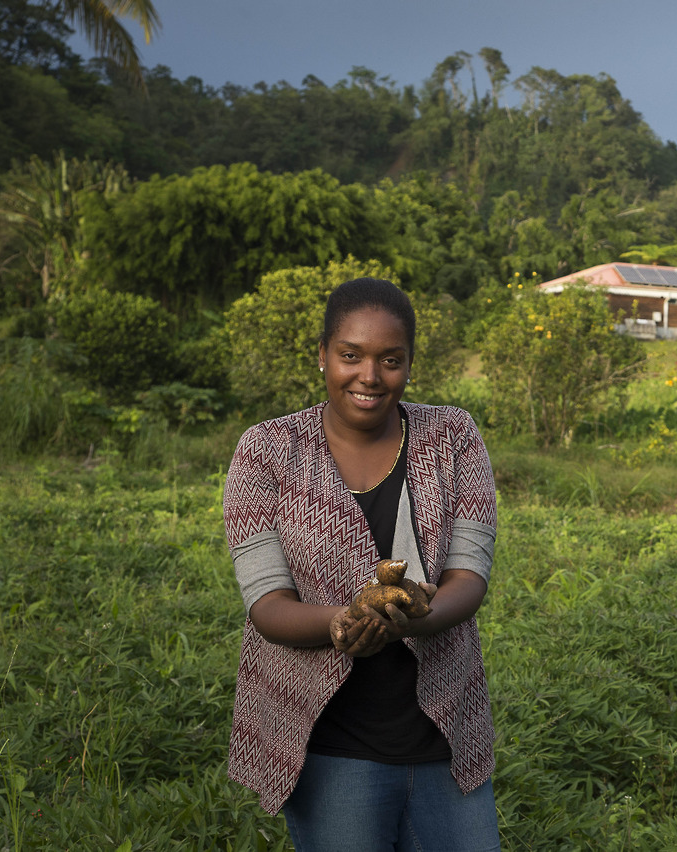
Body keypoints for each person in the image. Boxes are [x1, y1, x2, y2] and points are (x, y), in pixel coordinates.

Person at [222, 277, 501, 851]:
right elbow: (268, 605)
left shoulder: (452, 437)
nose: (369, 376)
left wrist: (415, 616)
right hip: (327, 743)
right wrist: (341, 623)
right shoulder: (267, 452)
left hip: (444, 735)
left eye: (390, 360)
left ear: (409, 364)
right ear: (322, 354)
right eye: (350, 355)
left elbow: (469, 578)